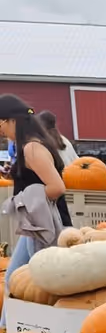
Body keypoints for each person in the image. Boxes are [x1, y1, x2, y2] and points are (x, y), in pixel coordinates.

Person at [0, 96, 67, 287]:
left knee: (37, 283)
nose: (1, 131)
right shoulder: (29, 146)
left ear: (12, 120)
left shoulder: (32, 148)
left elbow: (57, 187)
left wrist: (23, 199)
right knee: (13, 281)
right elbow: (35, 179)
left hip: (43, 224)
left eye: (0, 124)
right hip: (34, 224)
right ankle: (10, 318)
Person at [37, 110, 76, 229]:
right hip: (73, 183)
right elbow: (77, 162)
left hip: (56, 187)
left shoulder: (42, 143)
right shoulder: (65, 141)